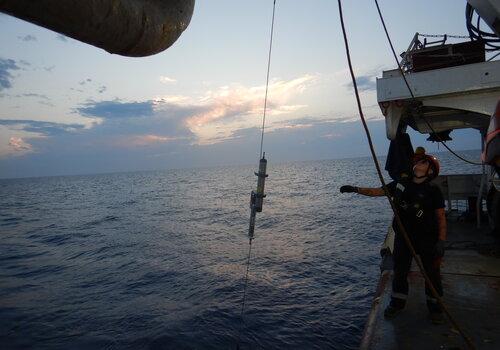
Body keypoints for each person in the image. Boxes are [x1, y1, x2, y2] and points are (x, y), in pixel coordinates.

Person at [340, 150, 447, 324]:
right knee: (400, 271)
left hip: (428, 238)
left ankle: (435, 308)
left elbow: (441, 217)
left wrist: (441, 241)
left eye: (423, 163)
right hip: (404, 238)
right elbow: (377, 192)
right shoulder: (400, 184)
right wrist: (355, 189)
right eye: (417, 162)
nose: (418, 165)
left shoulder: (433, 190)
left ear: (431, 171)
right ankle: (397, 303)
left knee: (432, 274)